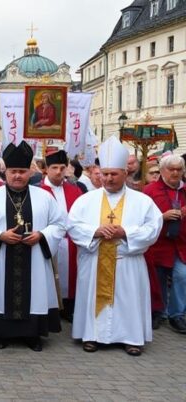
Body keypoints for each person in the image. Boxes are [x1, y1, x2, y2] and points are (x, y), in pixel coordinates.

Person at [68, 136, 163, 356]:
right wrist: (95, 231)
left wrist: (126, 232)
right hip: (95, 260)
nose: (108, 179)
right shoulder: (86, 200)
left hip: (127, 262)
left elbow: (153, 228)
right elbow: (72, 225)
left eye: (114, 174)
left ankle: (131, 338)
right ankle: (91, 336)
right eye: (105, 174)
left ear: (125, 173)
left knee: (128, 300)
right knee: (93, 297)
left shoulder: (142, 201)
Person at [0, 141, 65, 351]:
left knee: (34, 296)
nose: (18, 176)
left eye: (22, 171)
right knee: (1, 295)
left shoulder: (44, 197)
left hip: (34, 257)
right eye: (13, 171)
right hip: (2, 258)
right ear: (6, 172)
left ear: (30, 172)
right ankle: (1, 334)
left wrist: (42, 235)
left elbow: (60, 224)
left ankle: (32, 335)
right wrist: (0, 235)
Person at [144, 155, 186, 333]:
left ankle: (177, 314)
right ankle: (158, 312)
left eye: (179, 169)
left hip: (181, 244)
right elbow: (141, 217)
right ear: (162, 171)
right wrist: (162, 217)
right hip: (158, 245)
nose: (175, 173)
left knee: (182, 276)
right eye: (171, 169)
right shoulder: (149, 191)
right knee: (158, 279)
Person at [40, 150, 84, 321]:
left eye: (62, 168)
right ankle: (50, 309)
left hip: (71, 241)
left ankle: (68, 308)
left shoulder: (75, 190)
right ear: (46, 169)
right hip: (48, 240)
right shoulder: (38, 191)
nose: (59, 172)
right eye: (54, 168)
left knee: (70, 275)